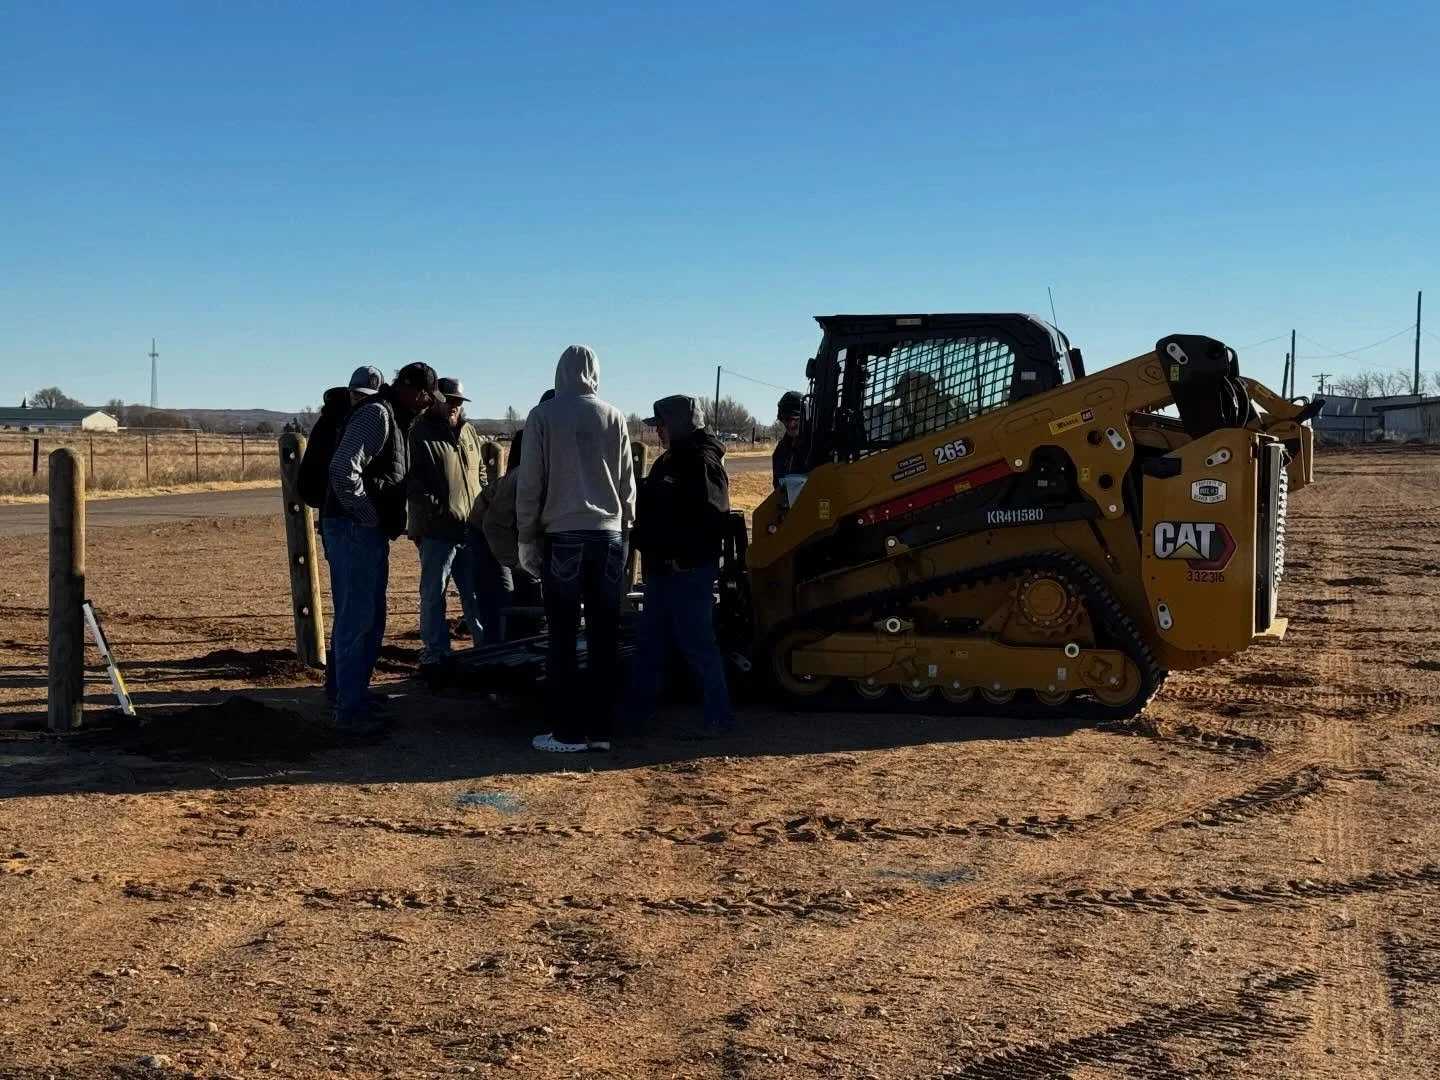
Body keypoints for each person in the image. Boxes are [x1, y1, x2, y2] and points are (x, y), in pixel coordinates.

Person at [516, 345, 636, 752]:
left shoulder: (543, 416)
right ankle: (601, 730)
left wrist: (526, 536)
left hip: (564, 536)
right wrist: (626, 529)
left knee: (563, 636)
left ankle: (567, 731)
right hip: (610, 537)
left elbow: (531, 483)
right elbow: (627, 484)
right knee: (604, 636)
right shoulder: (614, 416)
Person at [324, 362, 438, 733]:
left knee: (366, 616)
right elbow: (343, 469)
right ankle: (349, 709)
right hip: (354, 528)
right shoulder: (378, 415)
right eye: (426, 395)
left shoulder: (394, 417)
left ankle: (351, 694)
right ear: (412, 390)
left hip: (361, 530)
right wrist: (367, 514)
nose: (428, 403)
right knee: (357, 618)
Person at [627, 395, 734, 733]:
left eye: (661, 425)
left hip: (687, 572)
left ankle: (718, 717)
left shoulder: (702, 462)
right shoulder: (671, 460)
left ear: (677, 425)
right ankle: (634, 715)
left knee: (697, 645)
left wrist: (684, 557)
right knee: (650, 644)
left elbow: (713, 517)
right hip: (664, 570)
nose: (657, 432)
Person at [407, 377, 488, 682]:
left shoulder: (469, 432)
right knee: (434, 592)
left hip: (469, 529)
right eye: (449, 400)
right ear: (436, 400)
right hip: (436, 530)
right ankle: (435, 652)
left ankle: (484, 647)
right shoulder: (418, 433)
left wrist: (481, 502)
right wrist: (438, 508)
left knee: (475, 591)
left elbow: (479, 472)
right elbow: (412, 479)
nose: (454, 406)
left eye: (458, 402)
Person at [771, 390, 810, 489]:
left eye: (793, 419)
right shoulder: (781, 449)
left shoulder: (817, 446)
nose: (789, 425)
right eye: (783, 420)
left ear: (805, 417)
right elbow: (777, 484)